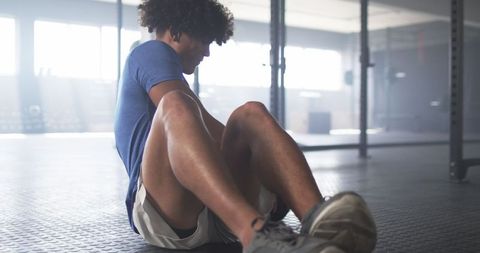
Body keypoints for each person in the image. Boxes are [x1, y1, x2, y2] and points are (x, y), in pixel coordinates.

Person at [114, 0, 377, 252]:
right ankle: (255, 235)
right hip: (167, 217)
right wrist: (270, 173)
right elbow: (204, 131)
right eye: (205, 41)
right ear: (175, 31)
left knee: (251, 113)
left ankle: (322, 223)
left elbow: (210, 140)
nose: (206, 52)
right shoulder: (150, 52)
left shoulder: (164, 69)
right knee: (174, 103)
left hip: (214, 213)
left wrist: (271, 168)